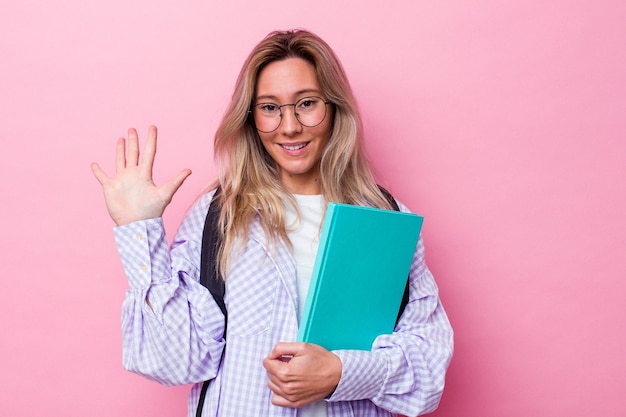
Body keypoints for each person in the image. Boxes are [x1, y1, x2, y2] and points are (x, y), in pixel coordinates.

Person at [91, 29, 453, 417]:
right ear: (250, 118)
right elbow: (176, 361)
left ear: (333, 108)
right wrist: (139, 230)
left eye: (307, 103)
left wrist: (342, 372)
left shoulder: (385, 220)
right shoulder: (219, 215)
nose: (290, 126)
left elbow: (428, 368)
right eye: (269, 108)